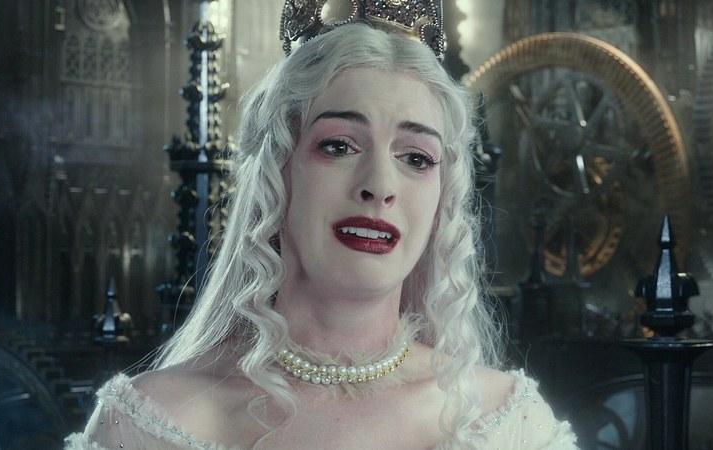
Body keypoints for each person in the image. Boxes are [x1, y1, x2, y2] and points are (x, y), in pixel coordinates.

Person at [65, 7, 578, 449]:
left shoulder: (507, 422)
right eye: (339, 146)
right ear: (277, 173)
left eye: (416, 158)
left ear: (443, 198)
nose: (379, 185)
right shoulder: (154, 422)